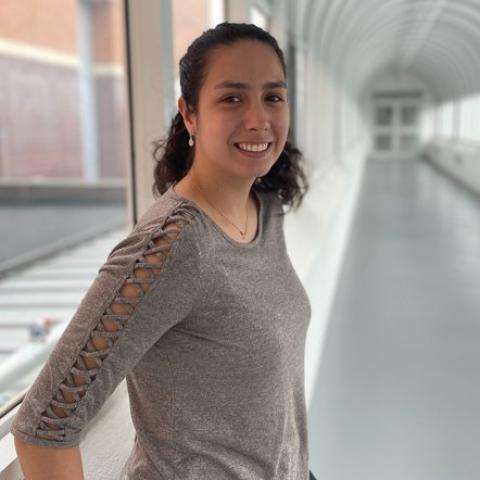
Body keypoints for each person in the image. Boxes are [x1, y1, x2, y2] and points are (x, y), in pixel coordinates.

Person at [10, 22, 316, 480]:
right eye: (232, 98)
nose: (258, 118)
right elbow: (43, 424)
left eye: (273, 96)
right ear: (190, 114)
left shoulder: (264, 207)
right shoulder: (171, 246)